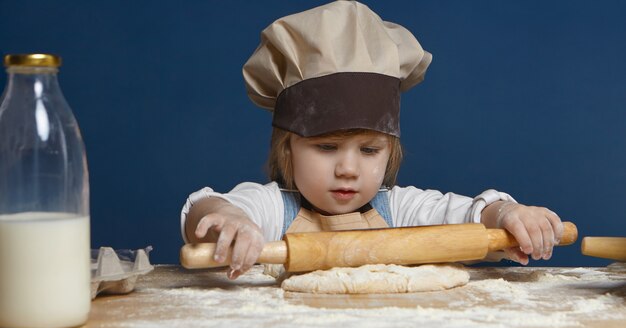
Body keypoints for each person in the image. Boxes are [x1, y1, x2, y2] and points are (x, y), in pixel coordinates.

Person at [180, 1, 564, 279]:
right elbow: (207, 208)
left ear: (390, 151)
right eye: (326, 147)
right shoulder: (270, 210)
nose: (348, 169)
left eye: (369, 150)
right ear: (288, 147)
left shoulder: (399, 211)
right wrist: (231, 223)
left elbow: (470, 216)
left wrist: (507, 216)